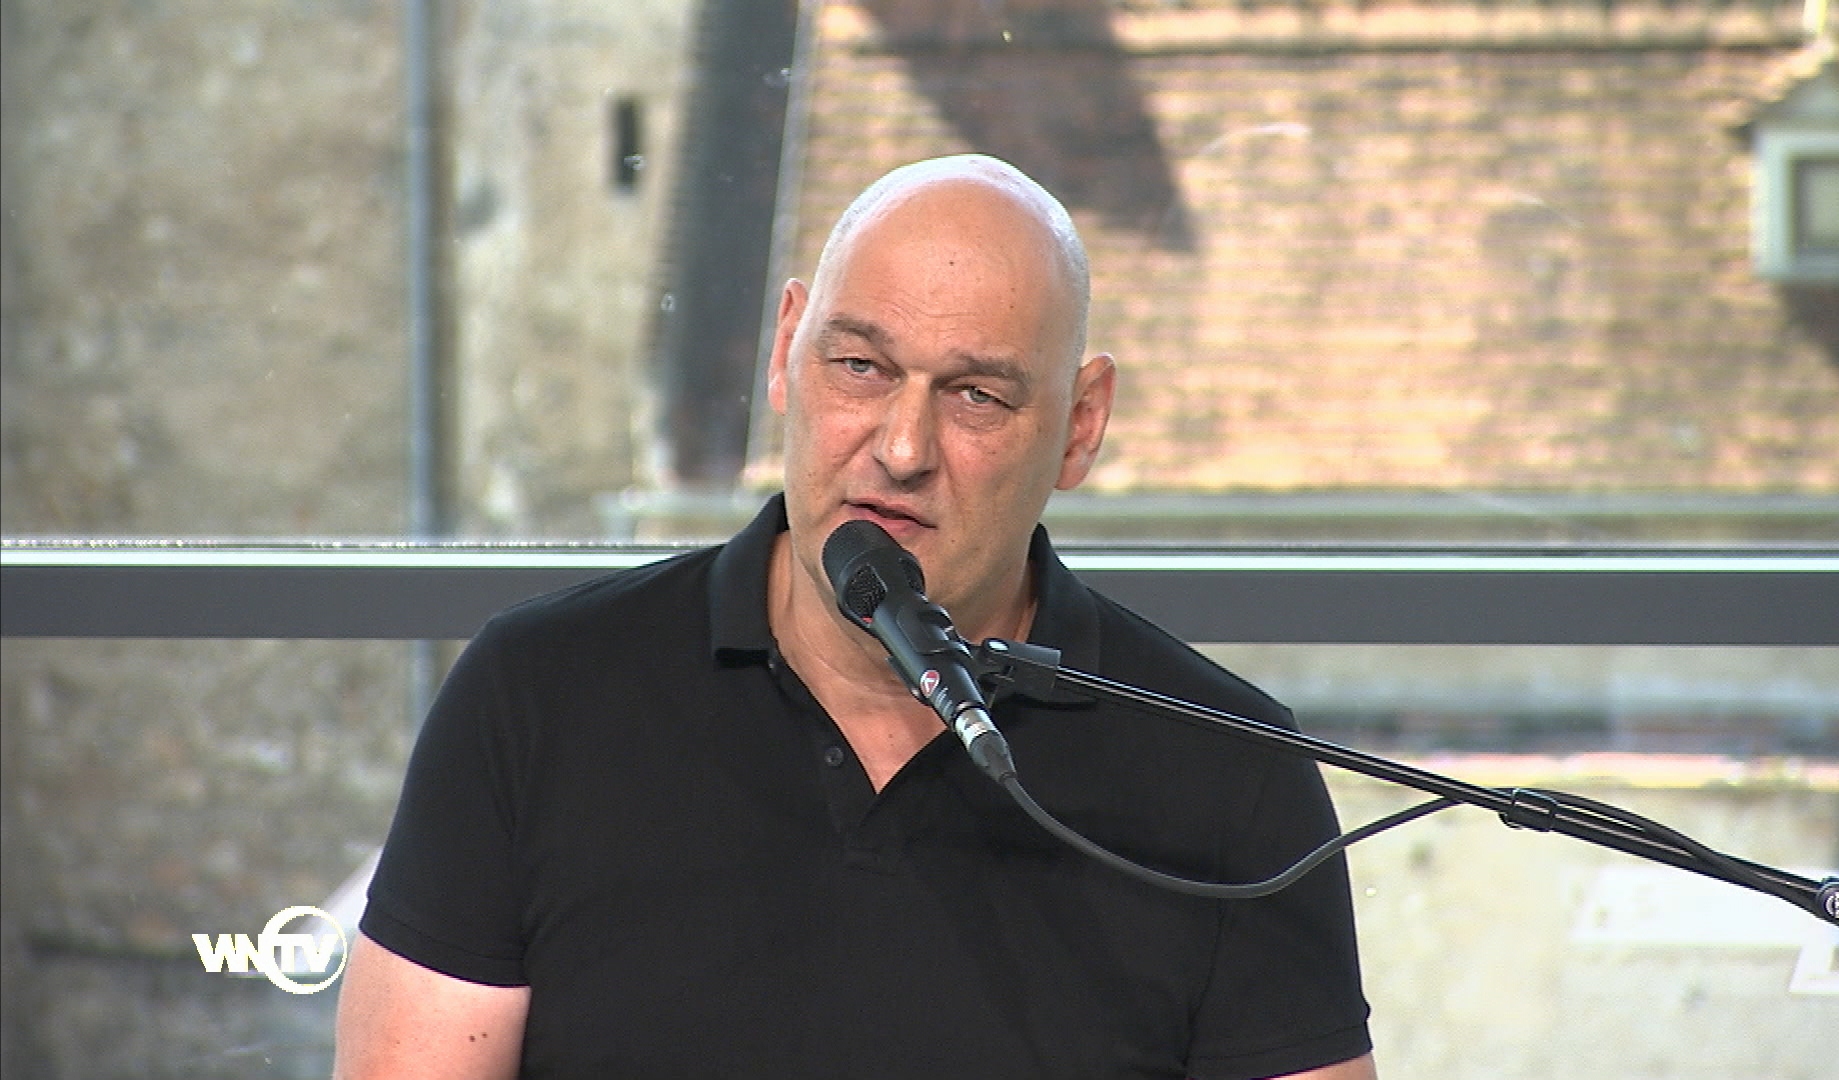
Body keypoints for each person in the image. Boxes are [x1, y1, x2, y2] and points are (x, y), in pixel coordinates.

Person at [334, 154, 1377, 1079]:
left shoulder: (1232, 775)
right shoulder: (539, 695)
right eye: (862, 368)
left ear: (1080, 425)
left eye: (976, 395)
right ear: (787, 349)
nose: (902, 448)